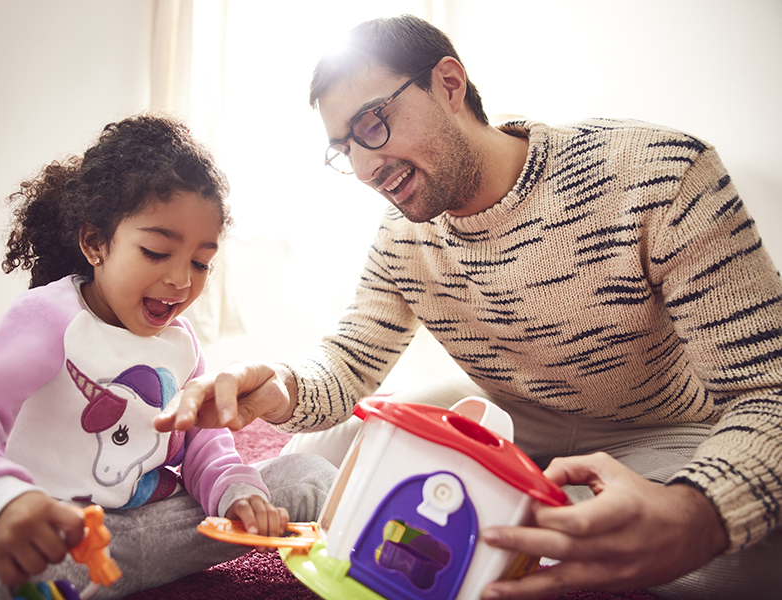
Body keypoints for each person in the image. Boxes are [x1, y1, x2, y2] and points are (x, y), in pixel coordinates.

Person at [154, 14, 782, 600]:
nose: (367, 166)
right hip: (504, 416)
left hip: (658, 430)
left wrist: (697, 514)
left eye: (373, 124)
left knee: (714, 553)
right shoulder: (403, 236)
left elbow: (770, 390)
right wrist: (281, 388)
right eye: (346, 149)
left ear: (449, 84)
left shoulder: (661, 174)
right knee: (308, 460)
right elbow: (347, 363)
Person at [0, 114, 335, 600]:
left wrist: (238, 495)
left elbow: (204, 445)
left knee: (306, 475)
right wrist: (2, 502)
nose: (183, 281)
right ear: (96, 243)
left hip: (161, 531)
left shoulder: (181, 342)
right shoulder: (50, 318)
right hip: (58, 545)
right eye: (157, 252)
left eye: (201, 262)